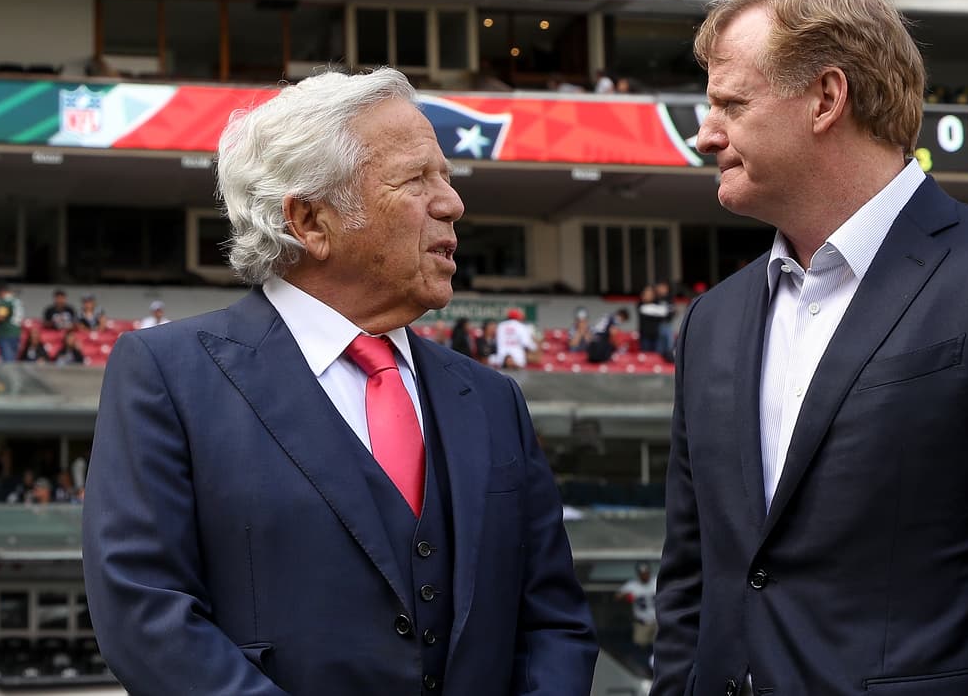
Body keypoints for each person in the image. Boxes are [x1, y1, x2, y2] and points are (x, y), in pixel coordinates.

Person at [653, 0, 968, 696]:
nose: (706, 133)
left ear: (826, 98)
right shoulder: (711, 321)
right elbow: (691, 580)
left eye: (731, 103)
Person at [82, 69, 597, 695]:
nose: (452, 203)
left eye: (447, 176)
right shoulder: (167, 374)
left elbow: (554, 623)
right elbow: (147, 617)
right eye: (416, 179)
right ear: (310, 222)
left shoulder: (491, 399)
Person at [616, 562, 657, 651]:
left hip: (658, 622)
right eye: (642, 574)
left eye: (646, 573)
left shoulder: (656, 581)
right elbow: (617, 596)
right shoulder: (632, 585)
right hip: (642, 623)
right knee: (640, 646)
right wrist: (625, 596)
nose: (645, 575)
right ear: (638, 574)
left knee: (660, 645)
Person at [0, 283, 23, 362]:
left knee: (8, 361)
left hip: (6, 333)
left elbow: (0, 317)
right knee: (12, 358)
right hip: (16, 333)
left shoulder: (5, 301)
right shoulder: (16, 300)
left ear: (2, 292)